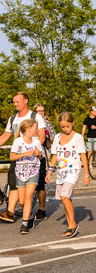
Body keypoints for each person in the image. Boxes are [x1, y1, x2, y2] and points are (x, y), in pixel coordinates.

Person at [0, 92, 46, 224]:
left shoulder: (35, 116)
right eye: (14, 102)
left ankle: (41, 210)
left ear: (25, 101)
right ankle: (10, 212)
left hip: (34, 157)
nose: (15, 104)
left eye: (17, 101)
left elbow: (41, 137)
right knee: (12, 182)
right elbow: (5, 136)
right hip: (18, 156)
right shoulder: (12, 118)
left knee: (39, 185)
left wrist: (34, 151)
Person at [45, 112, 90, 238]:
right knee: (66, 199)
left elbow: (83, 156)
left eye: (67, 126)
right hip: (61, 171)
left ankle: (72, 225)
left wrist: (86, 174)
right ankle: (70, 224)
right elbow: (54, 156)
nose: (65, 129)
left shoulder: (78, 138)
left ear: (73, 123)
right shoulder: (58, 137)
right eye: (62, 127)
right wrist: (50, 171)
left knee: (64, 197)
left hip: (73, 171)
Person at [10, 119, 43, 234]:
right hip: (20, 172)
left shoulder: (37, 142)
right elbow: (12, 157)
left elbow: (41, 156)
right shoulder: (18, 141)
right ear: (29, 129)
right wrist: (25, 154)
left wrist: (39, 154)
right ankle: (30, 216)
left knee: (28, 197)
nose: (37, 130)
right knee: (22, 201)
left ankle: (24, 225)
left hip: (33, 171)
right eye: (36, 127)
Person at [32, 103, 54, 219]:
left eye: (43, 111)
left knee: (41, 181)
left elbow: (53, 137)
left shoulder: (47, 123)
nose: (41, 113)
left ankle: (42, 209)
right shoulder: (30, 121)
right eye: (39, 111)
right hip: (30, 153)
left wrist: (47, 136)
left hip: (44, 151)